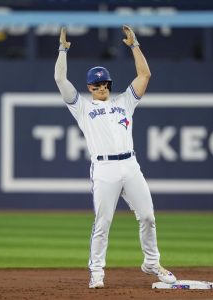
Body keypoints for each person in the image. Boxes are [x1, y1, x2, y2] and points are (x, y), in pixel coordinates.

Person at [54, 25, 176, 289]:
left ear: (109, 84)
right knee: (103, 222)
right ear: (89, 86)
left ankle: (152, 263)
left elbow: (145, 74)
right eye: (96, 84)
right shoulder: (82, 108)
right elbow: (61, 81)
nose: (100, 86)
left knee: (147, 216)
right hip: (105, 168)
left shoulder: (124, 102)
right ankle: (96, 271)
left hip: (130, 165)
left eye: (104, 82)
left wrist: (135, 46)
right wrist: (62, 50)